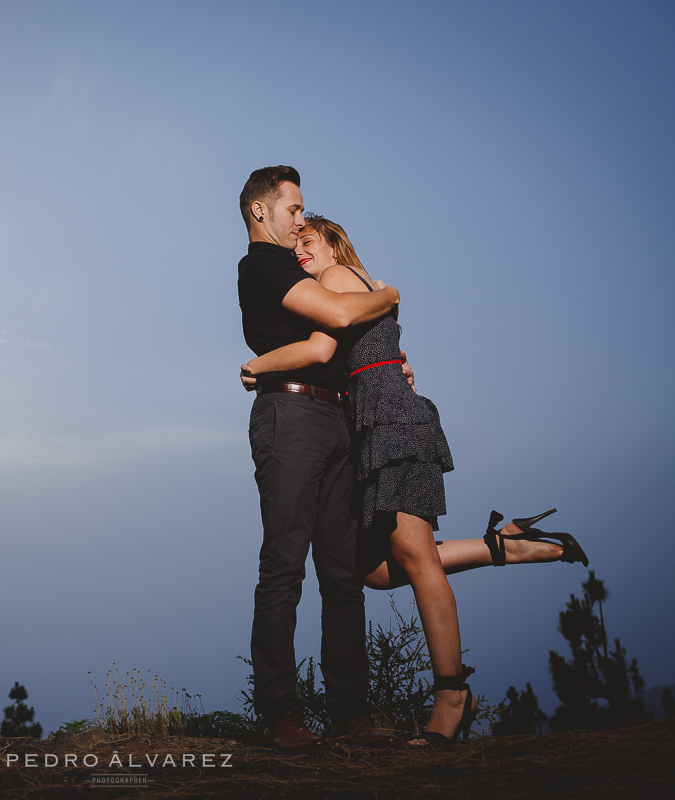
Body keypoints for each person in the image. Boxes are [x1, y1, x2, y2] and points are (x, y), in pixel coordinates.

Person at [241, 214, 588, 745]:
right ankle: (502, 545)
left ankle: (452, 697)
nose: (301, 250)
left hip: (391, 427)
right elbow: (384, 350)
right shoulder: (367, 285)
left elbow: (322, 348)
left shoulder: (335, 282)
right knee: (378, 570)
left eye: (310, 240)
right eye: (298, 244)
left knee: (416, 558)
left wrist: (256, 365)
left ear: (335, 244)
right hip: (380, 423)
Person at [236, 167, 402, 752]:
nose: (301, 218)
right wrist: (389, 293)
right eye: (293, 209)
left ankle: (351, 718)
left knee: (342, 575)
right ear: (262, 211)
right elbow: (335, 317)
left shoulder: (297, 263)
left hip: (338, 418)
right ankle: (280, 716)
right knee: (284, 565)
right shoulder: (263, 266)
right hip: (292, 417)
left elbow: (343, 343)